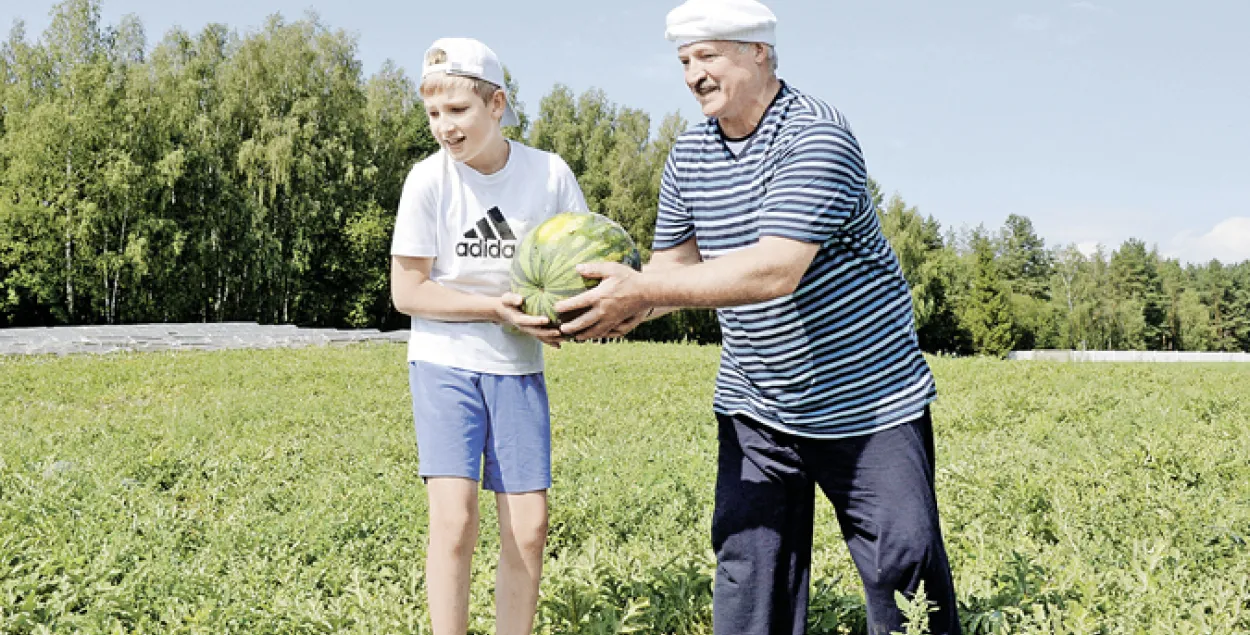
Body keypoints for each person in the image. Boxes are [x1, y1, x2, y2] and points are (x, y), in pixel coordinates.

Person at [553, 1, 961, 633]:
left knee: (904, 575)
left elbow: (776, 270)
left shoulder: (816, 134)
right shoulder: (689, 155)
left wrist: (638, 293)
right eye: (685, 61)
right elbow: (666, 277)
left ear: (759, 53)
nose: (693, 74)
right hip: (758, 404)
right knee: (749, 575)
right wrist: (593, 311)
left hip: (868, 402)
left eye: (708, 56)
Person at [389, 37, 588, 635]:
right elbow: (409, 292)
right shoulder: (427, 181)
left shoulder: (548, 173)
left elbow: (579, 263)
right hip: (444, 362)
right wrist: (492, 310)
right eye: (432, 114)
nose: (444, 128)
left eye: (457, 111)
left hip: (517, 368)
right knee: (455, 522)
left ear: (496, 103)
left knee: (528, 527)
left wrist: (571, 319)